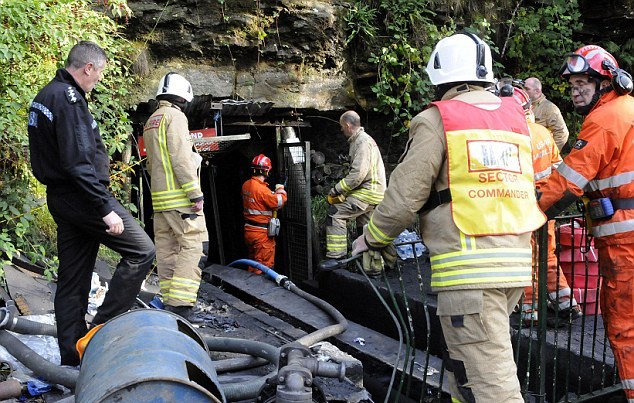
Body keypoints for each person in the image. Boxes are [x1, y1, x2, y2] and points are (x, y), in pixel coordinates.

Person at [352, 32, 546, 401]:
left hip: (469, 270)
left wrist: (373, 236)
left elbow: (406, 193)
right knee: (466, 372)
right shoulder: (514, 118)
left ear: (440, 76)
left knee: (492, 386)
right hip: (515, 263)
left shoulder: (438, 119)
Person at [27, 41, 156, 366]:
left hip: (61, 199)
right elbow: (78, 163)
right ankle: (99, 331)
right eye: (98, 74)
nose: (97, 81)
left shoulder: (44, 97)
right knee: (142, 251)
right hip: (84, 198)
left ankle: (73, 358)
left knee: (73, 280)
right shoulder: (69, 100)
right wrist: (104, 208)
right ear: (88, 68)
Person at [537, 45, 634, 403]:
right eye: (572, 83)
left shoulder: (606, 118)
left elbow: (568, 181)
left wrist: (532, 209)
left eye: (583, 82)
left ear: (607, 83)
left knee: (625, 327)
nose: (575, 89)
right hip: (624, 236)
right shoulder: (628, 110)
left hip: (626, 242)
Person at [505, 87, 582, 325]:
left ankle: (529, 310)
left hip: (521, 206)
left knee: (524, 256)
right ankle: (565, 301)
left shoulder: (509, 135)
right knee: (547, 254)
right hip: (546, 204)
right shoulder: (543, 133)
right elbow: (559, 166)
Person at [143, 72, 208, 322]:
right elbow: (181, 158)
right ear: (183, 97)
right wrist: (195, 193)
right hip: (181, 200)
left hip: (161, 202)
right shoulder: (176, 117)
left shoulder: (153, 119)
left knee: (168, 250)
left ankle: (170, 302)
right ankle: (181, 306)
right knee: (196, 246)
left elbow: (152, 163)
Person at [325, 111, 386, 272]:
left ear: (347, 125)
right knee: (367, 228)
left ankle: (336, 258)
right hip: (375, 193)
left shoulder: (361, 142)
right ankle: (373, 268)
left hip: (367, 192)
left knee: (335, 214)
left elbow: (358, 175)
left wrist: (336, 190)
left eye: (341, 127)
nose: (341, 131)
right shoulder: (364, 140)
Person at [242, 154, 287, 272]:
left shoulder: (246, 185)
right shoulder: (262, 190)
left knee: (253, 264)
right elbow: (279, 202)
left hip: (249, 231)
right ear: (266, 171)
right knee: (263, 267)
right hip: (262, 235)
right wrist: (280, 189)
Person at [524, 77, 570, 151]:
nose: (523, 91)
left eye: (527, 89)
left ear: (537, 91)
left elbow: (562, 133)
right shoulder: (523, 105)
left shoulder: (549, 108)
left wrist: (551, 154)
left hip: (540, 155)